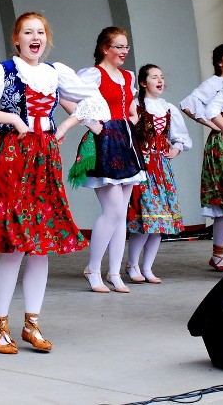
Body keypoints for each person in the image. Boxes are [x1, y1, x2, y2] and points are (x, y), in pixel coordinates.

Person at [0, 12, 108, 354]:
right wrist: (10, 117)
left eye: (40, 31)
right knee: (14, 244)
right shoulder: (4, 71)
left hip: (44, 155)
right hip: (12, 156)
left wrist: (66, 126)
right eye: (28, 32)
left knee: (40, 246)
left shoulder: (55, 73)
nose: (35, 37)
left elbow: (94, 102)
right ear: (16, 38)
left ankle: (32, 323)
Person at [75, 27, 146, 294]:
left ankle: (114, 272)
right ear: (105, 48)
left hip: (125, 141)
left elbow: (130, 107)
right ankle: (93, 268)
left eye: (125, 47)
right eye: (118, 47)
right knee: (113, 210)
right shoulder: (93, 74)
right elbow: (70, 99)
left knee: (121, 212)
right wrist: (92, 123)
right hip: (104, 141)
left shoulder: (127, 76)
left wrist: (133, 119)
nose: (124, 52)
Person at [126, 64, 191, 283]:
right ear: (143, 83)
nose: (160, 80)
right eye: (154, 77)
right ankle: (132, 264)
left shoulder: (168, 108)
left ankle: (147, 267)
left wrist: (176, 148)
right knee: (145, 219)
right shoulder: (135, 106)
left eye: (161, 77)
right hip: (143, 168)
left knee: (159, 221)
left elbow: (180, 136)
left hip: (162, 169)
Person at [180, 43, 223, 271]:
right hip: (222, 142)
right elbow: (187, 104)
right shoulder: (214, 84)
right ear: (219, 62)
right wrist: (212, 125)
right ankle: (218, 254)